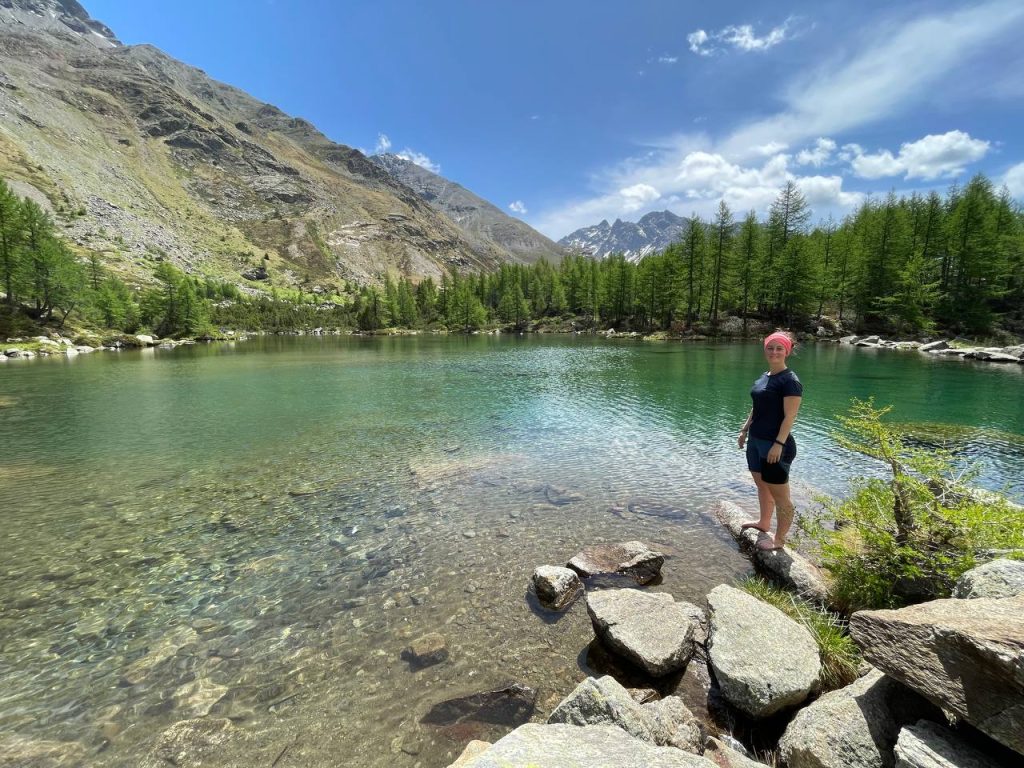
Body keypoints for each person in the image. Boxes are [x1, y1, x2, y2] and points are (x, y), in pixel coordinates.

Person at [737, 330, 802, 551]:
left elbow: (790, 416)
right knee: (761, 485)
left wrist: (779, 444)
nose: (774, 352)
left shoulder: (789, 381)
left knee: (781, 496)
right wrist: (745, 430)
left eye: (779, 348)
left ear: (787, 351)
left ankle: (780, 540)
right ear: (765, 349)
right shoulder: (765, 377)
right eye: (770, 347)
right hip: (756, 440)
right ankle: (764, 522)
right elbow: (757, 407)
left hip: (776, 445)